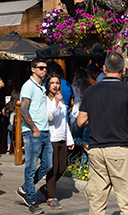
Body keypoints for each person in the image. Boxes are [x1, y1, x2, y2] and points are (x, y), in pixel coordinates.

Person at [77, 52, 128, 215]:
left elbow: (80, 121)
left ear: (104, 68)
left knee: (97, 202)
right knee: (127, 203)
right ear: (124, 69)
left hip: (96, 150)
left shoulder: (90, 91)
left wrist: (98, 117)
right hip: (119, 148)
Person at [17, 58, 52, 214]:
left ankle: (25, 188)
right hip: (33, 132)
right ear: (33, 69)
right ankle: (31, 200)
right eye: (41, 68)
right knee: (30, 167)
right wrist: (34, 129)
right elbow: (23, 110)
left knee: (47, 165)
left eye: (45, 68)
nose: (44, 70)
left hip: (45, 131)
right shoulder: (28, 86)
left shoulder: (41, 87)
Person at [44, 75, 73, 209]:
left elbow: (64, 122)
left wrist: (69, 139)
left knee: (62, 167)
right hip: (51, 138)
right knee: (53, 169)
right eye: (52, 83)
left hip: (62, 137)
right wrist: (55, 101)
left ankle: (47, 187)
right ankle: (52, 196)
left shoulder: (61, 101)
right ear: (48, 85)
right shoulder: (47, 100)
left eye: (57, 83)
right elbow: (50, 116)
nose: (55, 85)